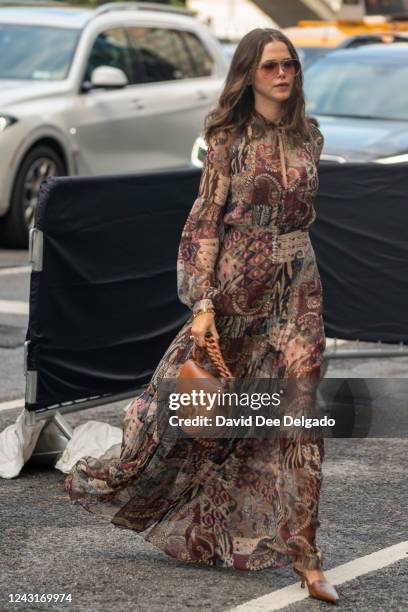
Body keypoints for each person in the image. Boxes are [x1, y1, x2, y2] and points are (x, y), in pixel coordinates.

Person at [63, 28, 338, 604]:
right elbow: (205, 222)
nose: (283, 75)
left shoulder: (309, 135)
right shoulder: (226, 139)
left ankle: (307, 555)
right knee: (204, 411)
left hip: (299, 287)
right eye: (270, 67)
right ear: (248, 74)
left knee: (301, 415)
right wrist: (204, 303)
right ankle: (131, 479)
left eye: (290, 65)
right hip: (239, 288)